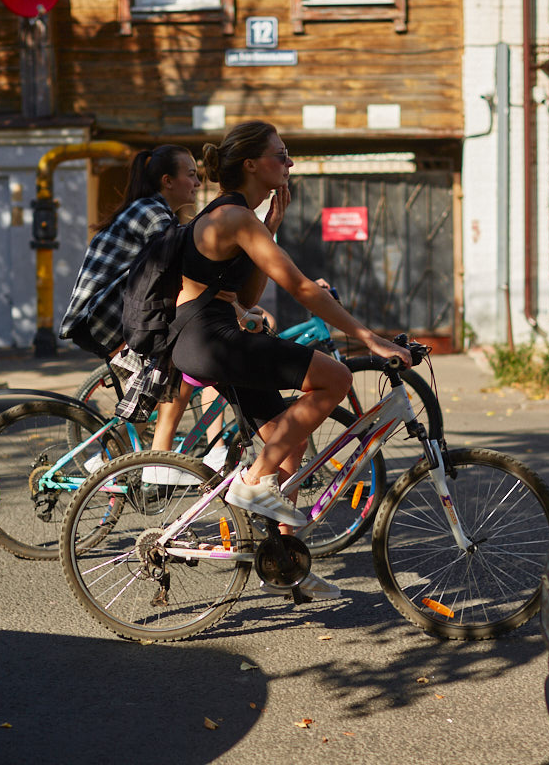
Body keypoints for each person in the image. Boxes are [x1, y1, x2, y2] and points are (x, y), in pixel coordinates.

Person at [171, 120, 411, 600]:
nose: (290, 163)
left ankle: (287, 566)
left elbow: (245, 294)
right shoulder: (232, 216)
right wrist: (371, 338)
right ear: (252, 165)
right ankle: (255, 480)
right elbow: (300, 288)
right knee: (335, 378)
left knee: (291, 442)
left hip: (211, 335)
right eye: (282, 155)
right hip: (209, 338)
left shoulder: (243, 218)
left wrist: (273, 229)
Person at [58, 144, 218, 457]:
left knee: (162, 383)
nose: (198, 183)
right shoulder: (152, 215)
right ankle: (119, 464)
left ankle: (137, 460)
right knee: (174, 371)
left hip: (107, 316)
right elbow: (180, 271)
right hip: (101, 319)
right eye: (191, 175)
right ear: (167, 181)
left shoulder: (155, 212)